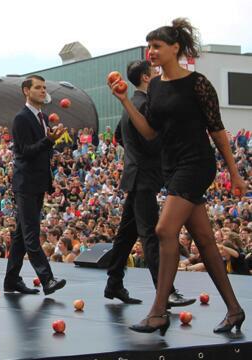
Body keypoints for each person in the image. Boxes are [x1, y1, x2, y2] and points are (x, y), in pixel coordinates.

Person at [110, 18, 246, 335]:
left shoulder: (198, 83)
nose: (151, 51)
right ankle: (235, 310)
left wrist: (235, 175)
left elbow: (218, 132)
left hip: (196, 164)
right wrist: (126, 101)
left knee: (163, 228)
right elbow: (149, 132)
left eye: (157, 46)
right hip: (172, 167)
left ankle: (158, 311)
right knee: (206, 243)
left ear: (175, 48)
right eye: (149, 46)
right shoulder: (155, 86)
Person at [105, 60, 194, 307]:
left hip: (137, 175)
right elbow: (151, 141)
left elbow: (119, 137)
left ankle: (114, 283)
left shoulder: (132, 104)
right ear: (146, 77)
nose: (158, 74)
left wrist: (135, 156)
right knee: (150, 236)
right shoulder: (144, 104)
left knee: (126, 235)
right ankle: (166, 291)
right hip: (144, 177)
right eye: (154, 72)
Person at [3, 75, 66, 296]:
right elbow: (25, 151)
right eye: (38, 88)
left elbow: (42, 151)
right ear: (26, 91)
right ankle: (47, 279)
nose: (42, 91)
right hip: (26, 182)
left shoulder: (43, 117)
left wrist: (52, 142)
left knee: (21, 235)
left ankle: (11, 280)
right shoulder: (21, 118)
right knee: (31, 233)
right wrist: (49, 141)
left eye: (44, 87)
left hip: (37, 181)